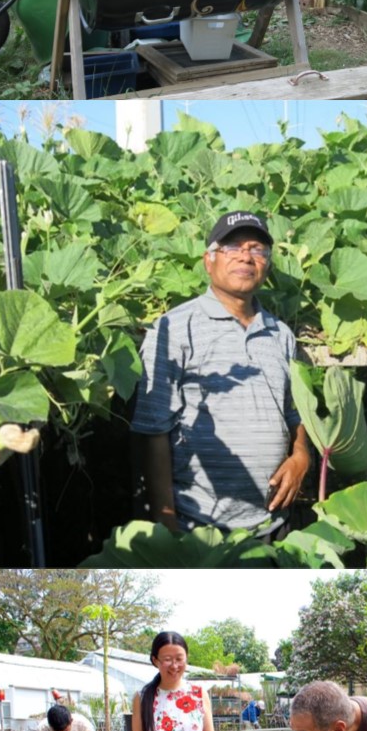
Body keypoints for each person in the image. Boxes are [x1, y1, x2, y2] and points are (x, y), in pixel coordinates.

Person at [131, 212, 310, 535]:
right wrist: (167, 525)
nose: (245, 256)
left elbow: (294, 411)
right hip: (198, 528)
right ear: (208, 261)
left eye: (257, 249)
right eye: (232, 247)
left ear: (267, 265)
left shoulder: (281, 334)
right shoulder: (173, 328)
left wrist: (301, 456)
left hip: (273, 523)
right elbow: (154, 432)